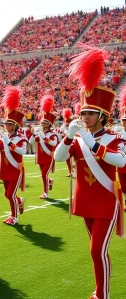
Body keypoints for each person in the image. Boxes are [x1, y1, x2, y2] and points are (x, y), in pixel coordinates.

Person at [54, 45, 125, 299]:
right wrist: (68, 137)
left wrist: (94, 144)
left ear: (102, 115)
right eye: (82, 112)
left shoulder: (114, 138)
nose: (83, 116)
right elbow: (58, 157)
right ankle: (99, 291)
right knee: (94, 251)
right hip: (85, 201)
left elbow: (120, 161)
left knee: (98, 251)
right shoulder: (79, 137)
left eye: (89, 113)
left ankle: (102, 295)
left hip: (106, 200)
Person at [0, 85, 26, 225]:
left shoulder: (19, 137)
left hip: (15, 169)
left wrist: (9, 143)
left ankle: (14, 217)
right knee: (7, 194)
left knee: (10, 194)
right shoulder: (3, 136)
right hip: (4, 169)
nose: (6, 126)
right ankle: (19, 201)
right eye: (5, 123)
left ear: (15, 125)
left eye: (9, 124)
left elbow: (22, 151)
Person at [29, 95, 58, 199]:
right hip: (40, 157)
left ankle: (45, 193)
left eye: (44, 122)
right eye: (42, 122)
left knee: (44, 175)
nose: (42, 124)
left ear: (49, 124)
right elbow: (30, 142)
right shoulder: (39, 132)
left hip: (48, 157)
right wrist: (33, 134)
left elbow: (54, 143)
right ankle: (49, 181)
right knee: (44, 175)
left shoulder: (52, 134)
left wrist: (43, 137)